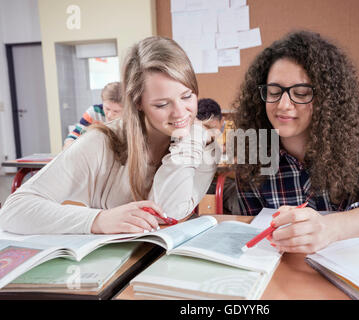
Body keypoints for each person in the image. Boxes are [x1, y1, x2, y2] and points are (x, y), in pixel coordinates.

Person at [0, 36, 217, 234]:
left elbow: (169, 211)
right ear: (138, 103)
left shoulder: (202, 145)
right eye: (161, 104)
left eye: (187, 96)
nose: (180, 113)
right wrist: (99, 220)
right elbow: (12, 211)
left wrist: (190, 139)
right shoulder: (102, 142)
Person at [232, 30, 359, 253]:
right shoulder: (252, 152)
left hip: (353, 268)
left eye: (300, 93)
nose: (283, 105)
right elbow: (255, 230)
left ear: (326, 99)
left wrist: (331, 227)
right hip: (284, 274)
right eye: (273, 91)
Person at [63, 82, 123, 150]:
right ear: (102, 102)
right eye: (107, 109)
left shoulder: (129, 118)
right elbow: (76, 133)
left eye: (116, 111)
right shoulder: (94, 112)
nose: (109, 115)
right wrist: (69, 143)